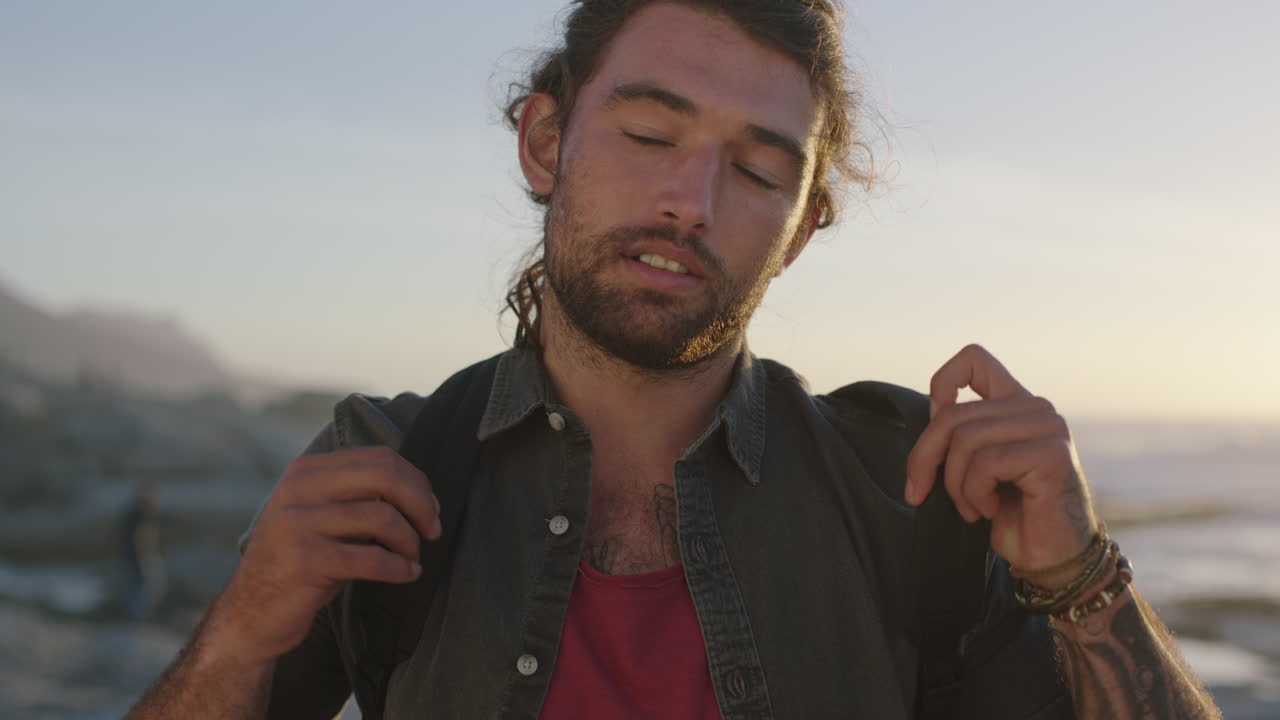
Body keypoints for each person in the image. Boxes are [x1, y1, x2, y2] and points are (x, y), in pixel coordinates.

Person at [126, 1, 1223, 718]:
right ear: (545, 143)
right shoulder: (394, 466)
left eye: (754, 172)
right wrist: (240, 631)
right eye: (649, 136)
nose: (687, 204)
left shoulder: (906, 497)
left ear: (795, 233)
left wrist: (1077, 577)